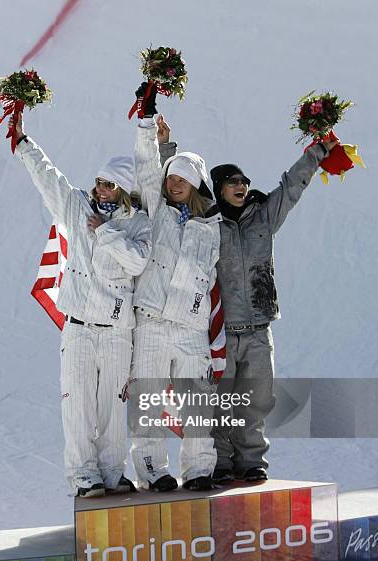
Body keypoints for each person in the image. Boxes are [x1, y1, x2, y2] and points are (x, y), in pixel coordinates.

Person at [10, 112, 152, 497]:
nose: (101, 189)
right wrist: (24, 145)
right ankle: (83, 474)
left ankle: (112, 471)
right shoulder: (76, 208)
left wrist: (105, 233)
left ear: (123, 190)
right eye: (99, 182)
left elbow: (138, 261)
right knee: (77, 405)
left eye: (109, 185)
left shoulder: (137, 223)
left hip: (118, 331)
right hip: (79, 327)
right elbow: (49, 179)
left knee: (111, 408)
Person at [210, 137, 338, 483]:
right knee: (221, 402)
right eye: (233, 182)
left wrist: (319, 149)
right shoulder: (207, 225)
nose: (241, 186)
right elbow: (176, 189)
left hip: (258, 329)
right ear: (219, 188)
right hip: (223, 332)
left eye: (244, 181)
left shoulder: (263, 217)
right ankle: (220, 461)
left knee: (256, 400)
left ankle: (251, 461)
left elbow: (291, 186)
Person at [128, 86, 222, 492]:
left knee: (197, 402)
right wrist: (147, 121)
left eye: (185, 178)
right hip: (151, 321)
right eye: (173, 177)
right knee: (148, 400)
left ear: (198, 182)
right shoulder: (157, 212)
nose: (176, 183)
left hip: (190, 328)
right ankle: (152, 470)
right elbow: (148, 167)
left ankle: (200, 469)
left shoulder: (212, 227)